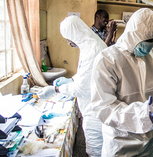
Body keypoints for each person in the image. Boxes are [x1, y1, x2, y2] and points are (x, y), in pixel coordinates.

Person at [90, 8, 153, 157]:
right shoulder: (107, 60)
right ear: (133, 35)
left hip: (149, 142)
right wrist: (141, 116)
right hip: (121, 143)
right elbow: (103, 106)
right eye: (146, 41)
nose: (150, 46)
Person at [38, 15, 107, 156]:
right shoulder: (89, 44)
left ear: (74, 34)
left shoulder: (92, 49)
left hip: (95, 112)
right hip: (93, 107)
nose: (69, 43)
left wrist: (56, 89)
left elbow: (82, 88)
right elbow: (86, 76)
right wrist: (72, 80)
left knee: (95, 151)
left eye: (68, 39)